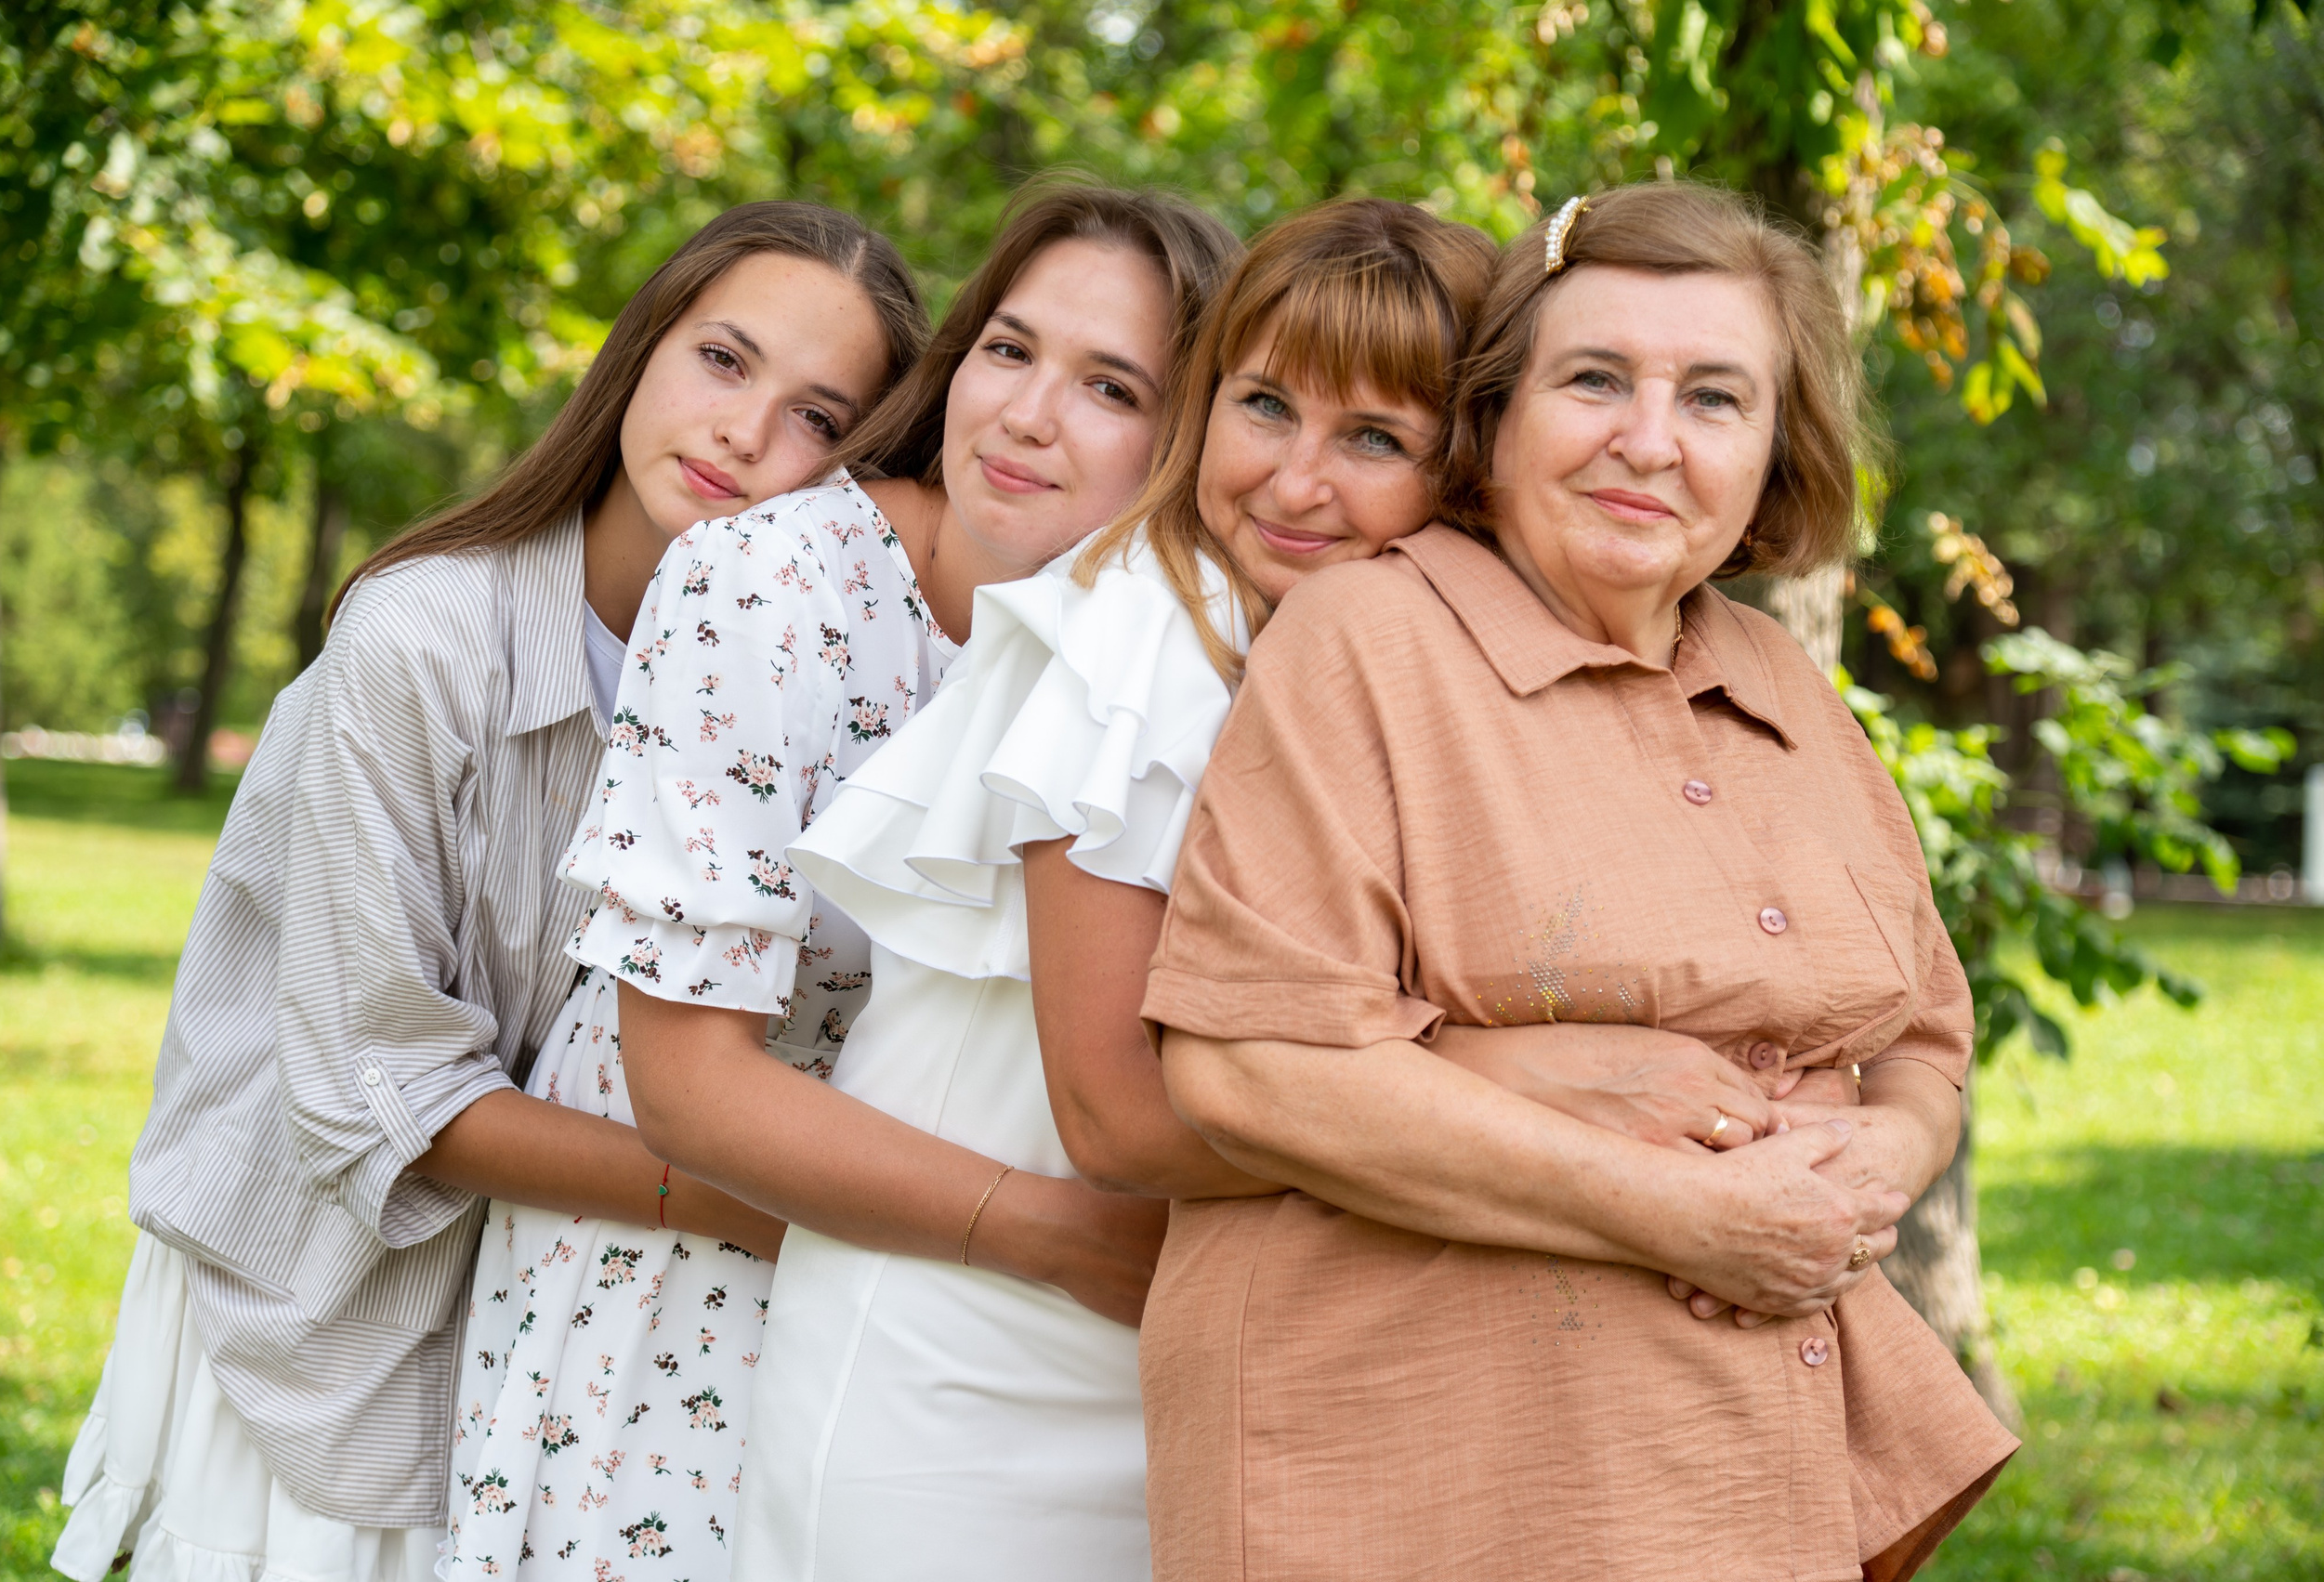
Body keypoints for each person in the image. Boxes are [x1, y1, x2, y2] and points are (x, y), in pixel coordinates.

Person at [1139, 183, 2020, 1582]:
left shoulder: (1781, 680)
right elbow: (1250, 1065)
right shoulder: (1366, 639)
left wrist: (1885, 1162)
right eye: (1596, 379)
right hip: (1440, 1488)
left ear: (1774, 451)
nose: (1649, 441)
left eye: (1715, 399)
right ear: (1494, 420)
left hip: (1752, 1480)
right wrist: (1691, 1217)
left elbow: (1923, 1036)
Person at [50, 202, 926, 1582]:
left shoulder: (813, 694)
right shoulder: (422, 642)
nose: (747, 432)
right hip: (320, 1288)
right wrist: (775, 1203)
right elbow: (380, 1093)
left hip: (567, 1311)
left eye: (820, 416)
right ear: (641, 351)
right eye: (723, 360)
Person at [689, 197, 1496, 1582]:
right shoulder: (1146, 631)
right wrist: (1527, 1113)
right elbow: (1115, 1114)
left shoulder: (1324, 654)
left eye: (1374, 438)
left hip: (1158, 1360)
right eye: (1264, 407)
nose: (1296, 482)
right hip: (953, 1392)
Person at [545, 179, 1241, 1582]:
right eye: (1009, 349)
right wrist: (1060, 1238)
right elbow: (686, 1088)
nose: (1028, 415)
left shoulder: (1171, 638)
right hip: (687, 1276)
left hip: (1002, 1334)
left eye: (1111, 386)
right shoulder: (764, 585)